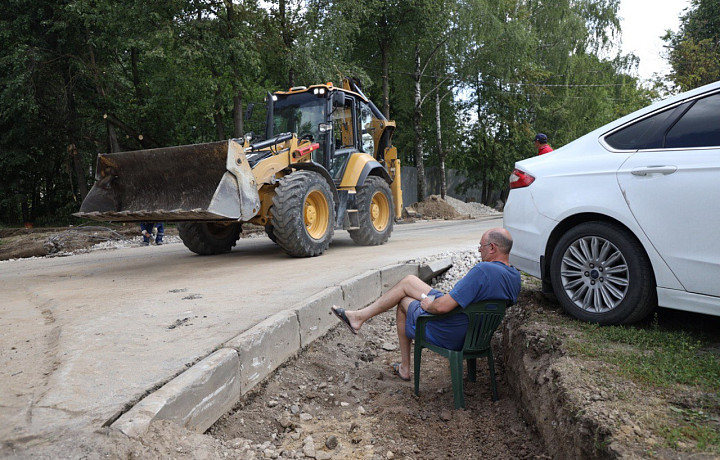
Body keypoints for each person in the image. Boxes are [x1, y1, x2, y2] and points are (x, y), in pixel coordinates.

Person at [331, 227, 521, 381]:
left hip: (452, 332)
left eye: (481, 247)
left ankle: (404, 367)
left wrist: (429, 305)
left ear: (492, 247)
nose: (479, 251)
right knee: (409, 282)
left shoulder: (484, 270)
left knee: (404, 302)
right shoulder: (514, 276)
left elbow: (441, 308)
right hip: (476, 333)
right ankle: (359, 317)